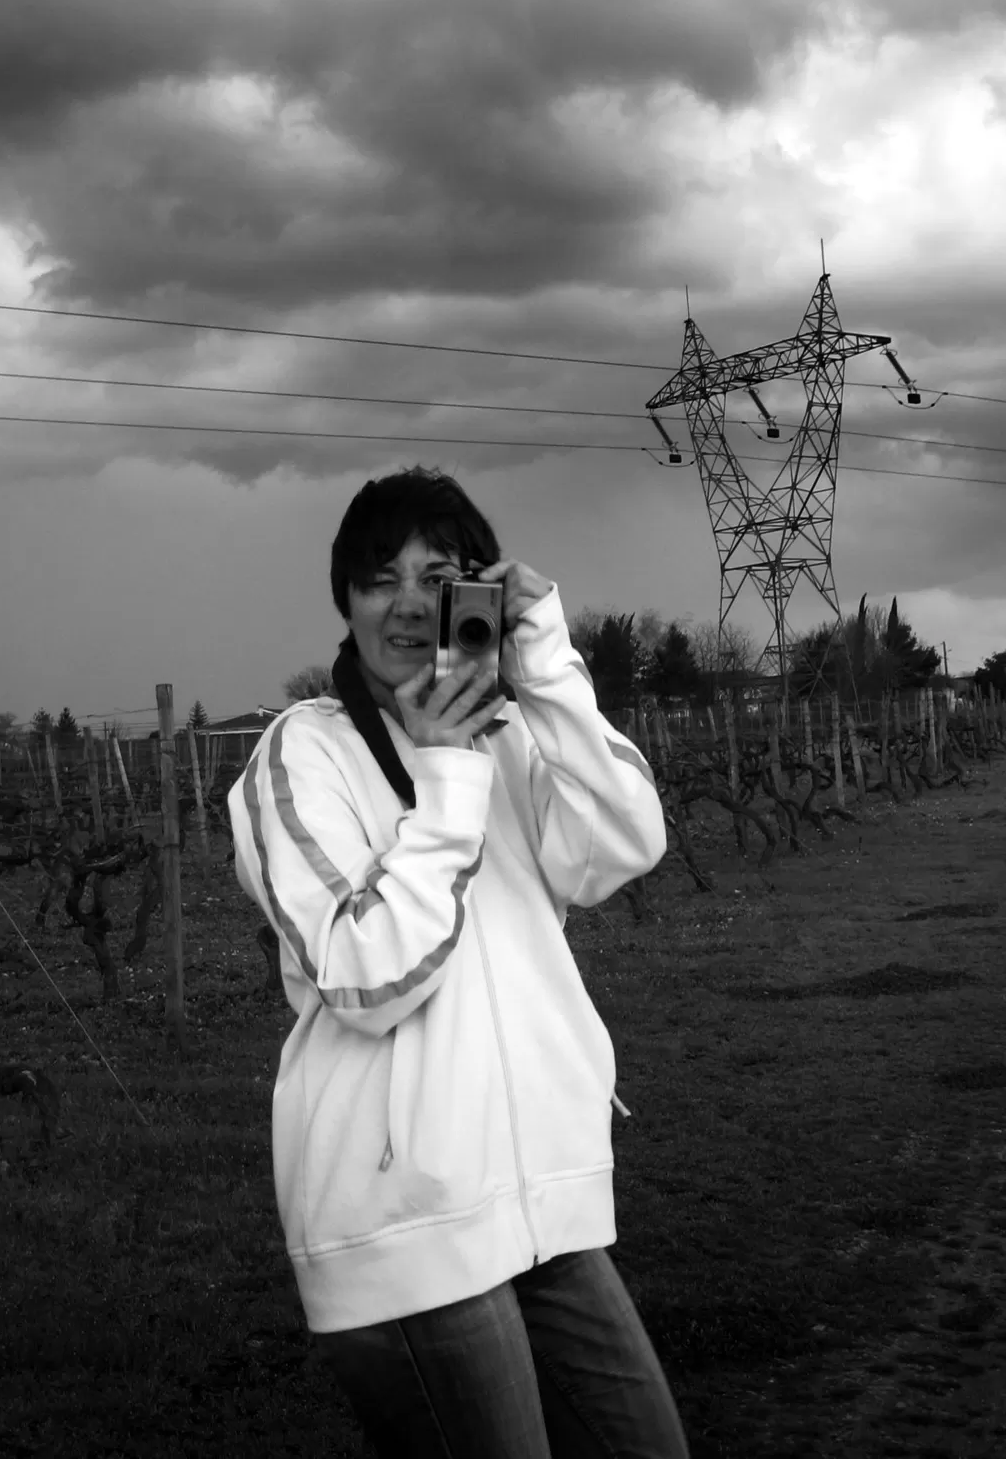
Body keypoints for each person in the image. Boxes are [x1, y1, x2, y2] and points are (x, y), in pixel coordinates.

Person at [229, 467, 689, 1457]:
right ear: (346, 603)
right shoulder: (301, 753)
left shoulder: (510, 735)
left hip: (543, 1206)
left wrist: (546, 664)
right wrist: (444, 780)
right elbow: (363, 977)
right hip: (406, 1229)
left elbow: (623, 843)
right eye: (377, 579)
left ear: (476, 594)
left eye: (436, 578)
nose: (405, 604)